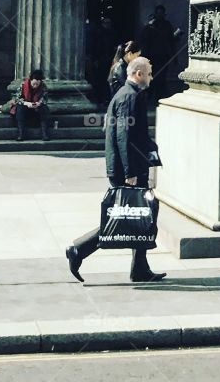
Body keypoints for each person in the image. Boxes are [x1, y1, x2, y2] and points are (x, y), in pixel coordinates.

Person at [65, 58, 165, 284]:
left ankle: (140, 268)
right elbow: (124, 135)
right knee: (125, 218)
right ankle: (78, 250)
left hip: (127, 166)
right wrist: (130, 172)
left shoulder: (123, 94)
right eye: (149, 73)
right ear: (138, 73)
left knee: (140, 215)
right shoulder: (130, 96)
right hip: (128, 169)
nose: (151, 77)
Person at [139, 5, 183, 103]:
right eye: (158, 13)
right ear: (156, 14)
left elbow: (170, 41)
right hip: (151, 56)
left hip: (163, 56)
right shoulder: (150, 26)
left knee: (161, 77)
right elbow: (144, 40)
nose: (160, 15)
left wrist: (174, 57)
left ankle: (158, 96)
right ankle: (150, 96)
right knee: (151, 77)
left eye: (162, 13)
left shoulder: (167, 25)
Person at [10, 69, 51, 142]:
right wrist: (26, 103)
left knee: (44, 108)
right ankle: (20, 134)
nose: (35, 86)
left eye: (37, 84)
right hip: (25, 107)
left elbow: (45, 99)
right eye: (34, 84)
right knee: (20, 108)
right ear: (30, 80)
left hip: (36, 109)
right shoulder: (23, 85)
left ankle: (45, 134)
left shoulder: (43, 87)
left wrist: (39, 103)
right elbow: (17, 98)